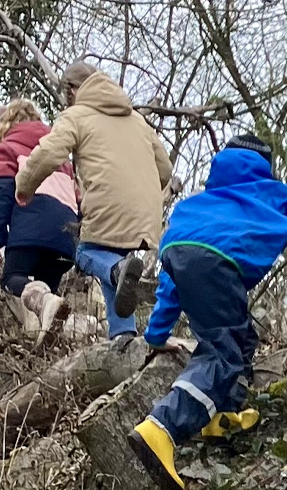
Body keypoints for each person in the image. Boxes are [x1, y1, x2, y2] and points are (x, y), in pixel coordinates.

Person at [128, 135, 287, 490]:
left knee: (241, 335)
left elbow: (173, 280)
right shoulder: (272, 192)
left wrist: (157, 333)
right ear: (266, 166)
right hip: (220, 264)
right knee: (221, 353)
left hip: (179, 250)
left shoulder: (196, 205)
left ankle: (223, 416)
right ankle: (162, 427)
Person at [17, 62, 173, 339]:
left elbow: (49, 153)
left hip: (107, 203)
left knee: (86, 253)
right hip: (146, 211)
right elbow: (165, 171)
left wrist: (25, 186)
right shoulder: (137, 120)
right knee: (117, 263)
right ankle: (123, 336)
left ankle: (117, 272)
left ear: (73, 90)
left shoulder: (76, 116)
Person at [0, 98, 79, 340]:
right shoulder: (59, 156)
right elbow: (78, 197)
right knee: (49, 296)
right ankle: (44, 342)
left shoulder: (7, 149)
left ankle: (46, 306)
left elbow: (1, 194)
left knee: (12, 278)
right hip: (66, 235)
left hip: (31, 227)